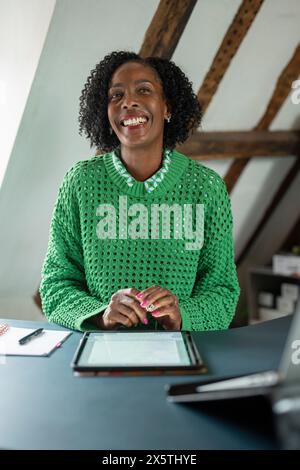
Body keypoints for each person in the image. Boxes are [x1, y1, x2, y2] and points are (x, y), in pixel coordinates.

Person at [40, 51, 240, 332]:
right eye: (116, 95)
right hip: (101, 351)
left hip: (180, 350)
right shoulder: (81, 183)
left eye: (143, 90)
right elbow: (55, 284)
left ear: (167, 107)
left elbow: (222, 292)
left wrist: (181, 314)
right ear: (105, 112)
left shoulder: (205, 188)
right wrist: (101, 314)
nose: (128, 102)